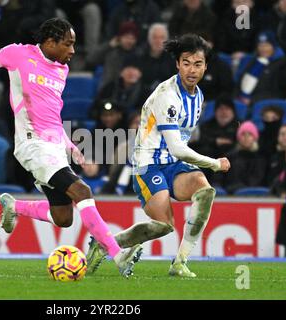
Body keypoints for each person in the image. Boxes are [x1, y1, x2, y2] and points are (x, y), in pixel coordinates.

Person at [0, 17, 143, 278]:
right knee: (82, 190)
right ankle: (118, 254)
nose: (73, 51)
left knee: (63, 218)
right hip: (32, 144)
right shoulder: (17, 54)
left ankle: (15, 206)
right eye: (68, 44)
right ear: (50, 42)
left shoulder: (62, 70)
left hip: (54, 146)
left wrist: (69, 144)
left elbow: (52, 113)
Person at [86, 34, 230, 277]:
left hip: (173, 165)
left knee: (204, 191)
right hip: (148, 165)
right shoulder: (167, 96)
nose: (192, 70)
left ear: (206, 66)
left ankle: (180, 262)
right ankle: (102, 244)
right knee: (163, 226)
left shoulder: (199, 96)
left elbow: (179, 147)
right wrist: (214, 163)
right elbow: (177, 147)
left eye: (197, 64)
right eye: (186, 63)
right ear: (177, 64)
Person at [216, 121, 267, 194]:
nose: (246, 137)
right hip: (229, 194)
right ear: (239, 138)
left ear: (255, 138)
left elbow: (256, 180)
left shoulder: (260, 159)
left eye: (250, 134)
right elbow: (218, 177)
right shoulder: (229, 157)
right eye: (243, 134)